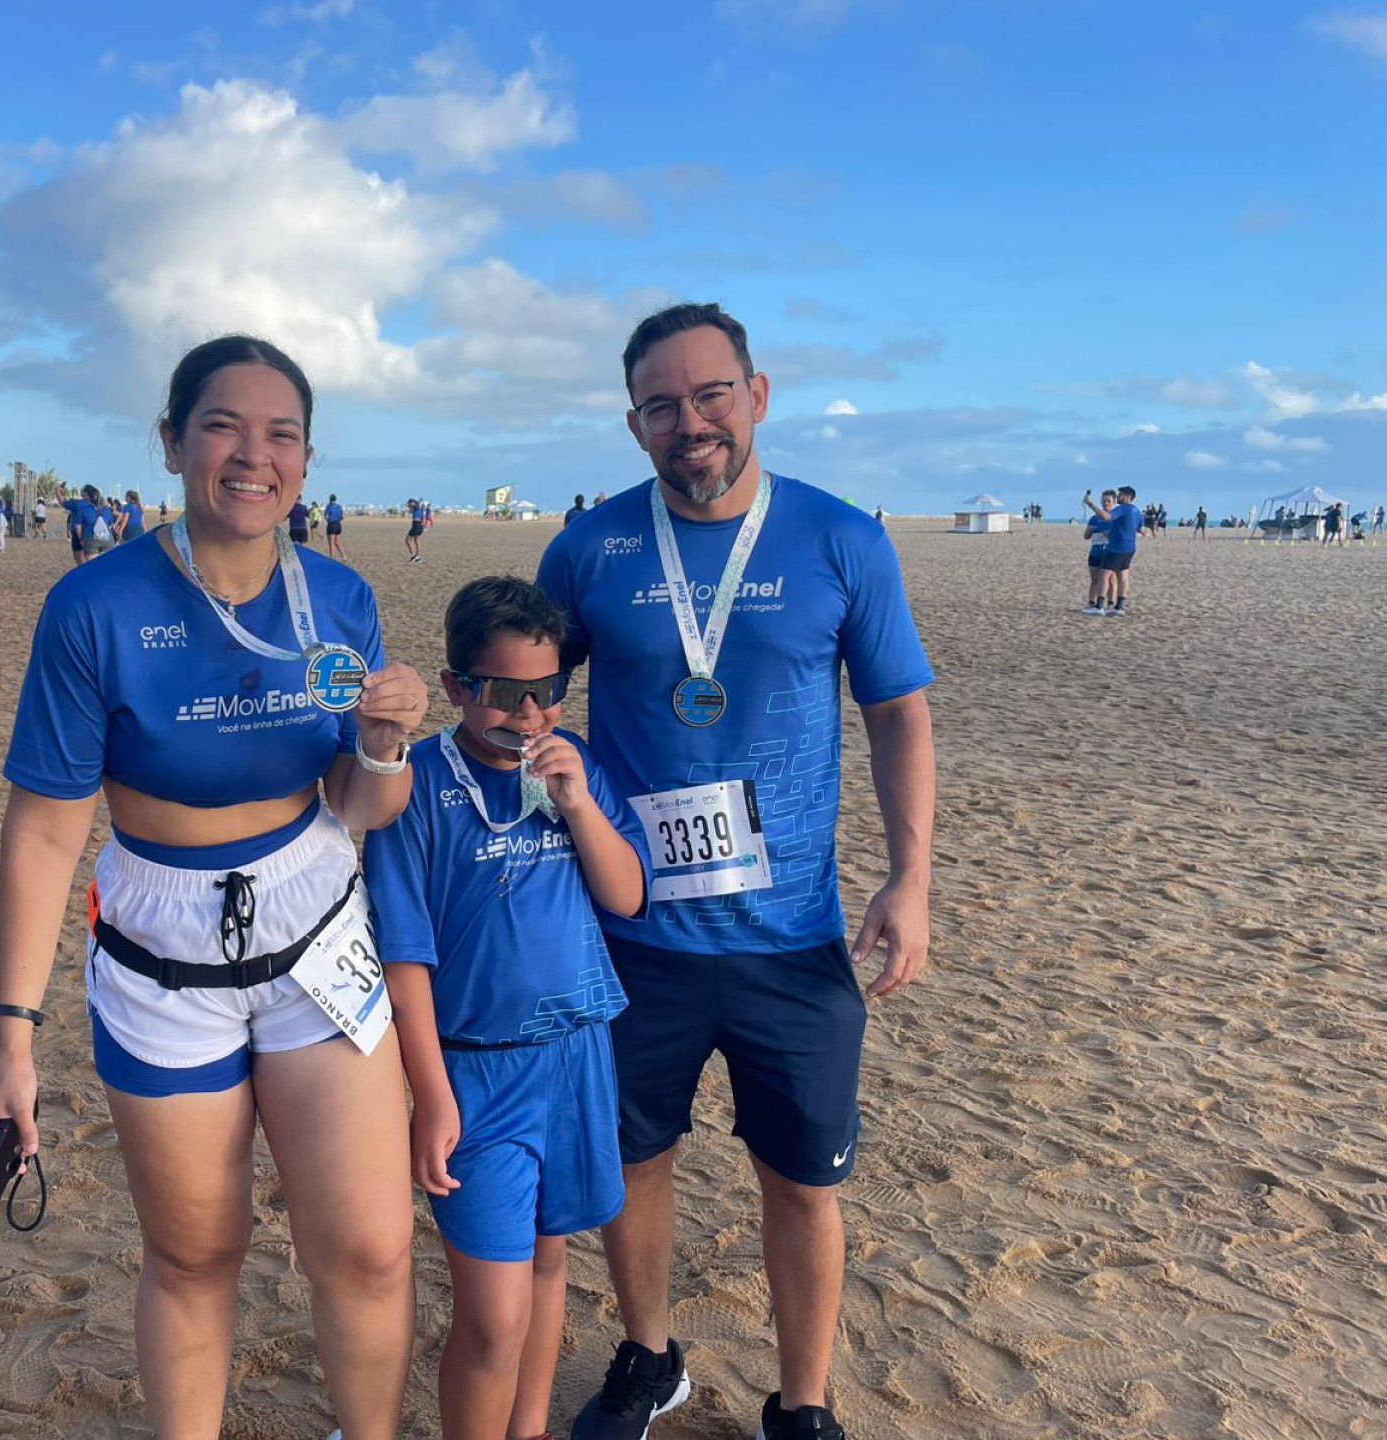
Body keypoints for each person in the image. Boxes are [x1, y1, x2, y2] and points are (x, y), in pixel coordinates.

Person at [0, 335, 430, 1439]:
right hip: (160, 939)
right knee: (194, 1254)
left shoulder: (341, 596)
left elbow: (364, 808)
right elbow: (42, 833)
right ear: (172, 441)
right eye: (223, 425)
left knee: (367, 1248)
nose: (251, 454)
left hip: (313, 917)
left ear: (307, 461)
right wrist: (12, 1043)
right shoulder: (96, 606)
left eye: (281, 434)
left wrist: (381, 746)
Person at [539, 302, 935, 1440]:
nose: (691, 421)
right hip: (631, 937)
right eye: (662, 404)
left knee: (804, 1184)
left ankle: (801, 1403)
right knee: (636, 1162)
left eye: (712, 394)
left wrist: (909, 881)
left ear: (757, 395)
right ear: (633, 424)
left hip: (794, 939)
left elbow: (898, 715)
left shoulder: (839, 538)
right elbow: (527, 692)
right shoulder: (590, 548)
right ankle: (649, 1357)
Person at [366, 576, 648, 1440]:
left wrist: (577, 804)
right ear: (456, 687)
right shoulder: (414, 789)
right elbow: (404, 958)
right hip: (476, 1070)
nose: (529, 714)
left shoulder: (578, 765)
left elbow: (629, 896)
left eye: (549, 691)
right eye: (506, 693)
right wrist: (433, 1094)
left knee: (551, 1259)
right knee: (492, 1315)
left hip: (576, 1052)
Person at [1084, 485, 1142, 616]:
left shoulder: (1122, 509)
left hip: (1116, 548)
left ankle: (1100, 607)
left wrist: (1090, 504)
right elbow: (1141, 530)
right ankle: (1119, 607)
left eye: (1120, 494)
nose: (1118, 496)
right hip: (1129, 548)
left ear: (1127, 496)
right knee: (1123, 576)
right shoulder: (1137, 511)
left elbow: (1106, 517)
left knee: (1104, 576)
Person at [1081, 491, 1117, 615]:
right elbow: (1086, 536)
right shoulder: (1094, 518)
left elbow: (1116, 536)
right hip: (1095, 552)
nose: (1106, 503)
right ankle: (1092, 602)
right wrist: (1090, 529)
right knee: (1094, 579)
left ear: (1114, 502)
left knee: (1111, 579)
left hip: (1109, 552)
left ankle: (1111, 603)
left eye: (1109, 501)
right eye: (1104, 501)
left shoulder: (1114, 517)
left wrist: (1105, 532)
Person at [61, 485, 104, 566]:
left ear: (85, 493)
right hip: (96, 535)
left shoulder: (78, 504)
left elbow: (62, 502)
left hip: (80, 534)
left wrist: (57, 491)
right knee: (93, 559)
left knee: (80, 560)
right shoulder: (100, 505)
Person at [325, 492, 347, 561]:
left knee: (331, 543)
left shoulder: (329, 506)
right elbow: (342, 517)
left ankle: (332, 559)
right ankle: (344, 555)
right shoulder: (339, 507)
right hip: (338, 524)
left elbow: (326, 517)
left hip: (331, 524)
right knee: (337, 542)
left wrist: (329, 519)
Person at [404, 497, 425, 563]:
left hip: (416, 525)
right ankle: (418, 557)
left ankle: (413, 555)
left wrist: (418, 501)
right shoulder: (416, 509)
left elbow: (417, 505)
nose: (409, 505)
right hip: (418, 525)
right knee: (417, 540)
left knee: (407, 540)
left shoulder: (417, 507)